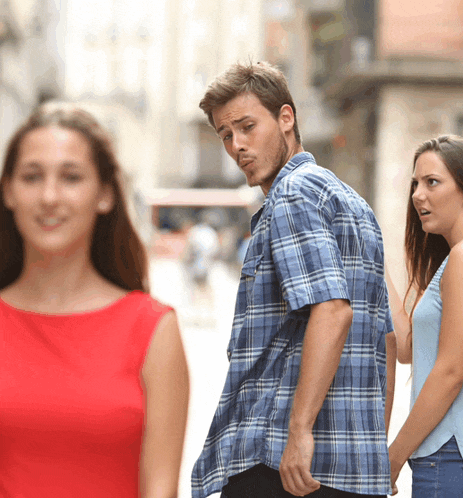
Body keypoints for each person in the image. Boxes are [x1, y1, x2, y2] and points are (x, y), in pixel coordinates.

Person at [191, 61, 396, 498]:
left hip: (283, 464)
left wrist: (299, 431)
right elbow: (386, 338)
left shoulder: (292, 194)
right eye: (225, 135)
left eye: (247, 126)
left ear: (286, 118)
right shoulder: (353, 203)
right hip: (353, 468)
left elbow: (333, 309)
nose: (237, 145)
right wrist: (376, 450)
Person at [0, 103, 189, 498]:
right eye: (32, 177)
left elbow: (160, 491)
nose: (49, 196)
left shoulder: (153, 330)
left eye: (71, 177)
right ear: (9, 193)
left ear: (104, 194)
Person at [387, 135, 463, 497]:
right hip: (460, 460)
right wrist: (371, 260)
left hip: (456, 458)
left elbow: (451, 371)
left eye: (432, 182)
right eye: (416, 184)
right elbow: (407, 350)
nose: (418, 194)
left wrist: (394, 455)